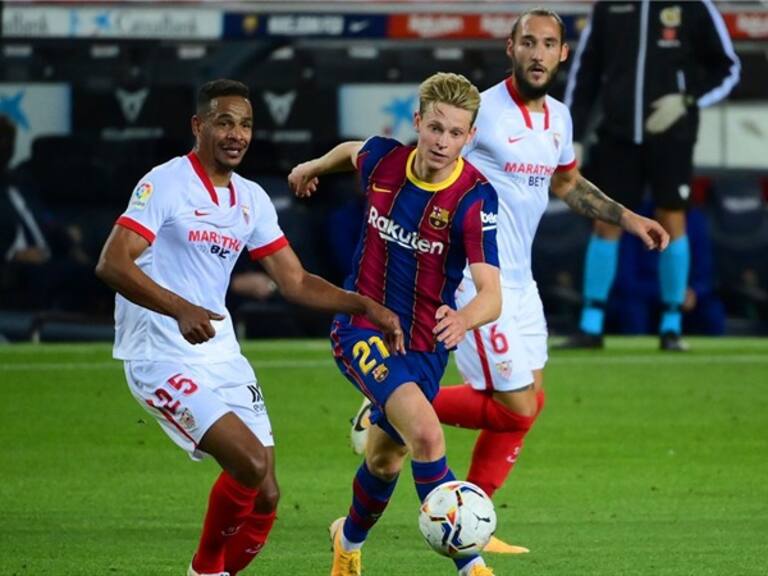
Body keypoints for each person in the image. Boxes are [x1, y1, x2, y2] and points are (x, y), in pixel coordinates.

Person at [350, 8, 670, 555]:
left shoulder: (560, 119)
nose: (538, 52)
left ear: (563, 54)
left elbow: (567, 182)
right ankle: (387, 408)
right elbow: (424, 169)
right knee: (514, 406)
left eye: (549, 43)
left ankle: (476, 514)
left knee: (530, 401)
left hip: (523, 281)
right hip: (475, 283)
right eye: (529, 42)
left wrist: (627, 217)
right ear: (511, 47)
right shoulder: (482, 115)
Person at [95, 79, 404, 576]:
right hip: (159, 353)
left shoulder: (251, 199)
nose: (236, 134)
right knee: (249, 463)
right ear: (199, 127)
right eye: (224, 121)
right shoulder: (166, 183)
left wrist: (366, 306)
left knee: (267, 494)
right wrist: (178, 308)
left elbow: (296, 281)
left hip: (219, 352)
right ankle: (205, 572)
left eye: (245, 124)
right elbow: (112, 262)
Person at [288, 72, 502, 576]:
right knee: (428, 435)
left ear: (470, 137)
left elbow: (491, 295)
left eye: (455, 133)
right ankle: (471, 565)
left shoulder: (474, 199)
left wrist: (465, 318)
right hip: (362, 327)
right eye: (435, 128)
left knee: (385, 460)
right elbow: (350, 151)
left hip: (427, 345)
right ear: (418, 123)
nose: (443, 142)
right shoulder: (384, 159)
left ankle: (348, 539)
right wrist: (312, 166)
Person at [561, 0, 740, 351]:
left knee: (671, 220)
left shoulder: (694, 6)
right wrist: (573, 135)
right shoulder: (608, 6)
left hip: (671, 136)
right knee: (605, 220)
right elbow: (586, 72)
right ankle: (591, 324)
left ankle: (671, 325)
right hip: (616, 136)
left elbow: (728, 68)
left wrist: (686, 101)